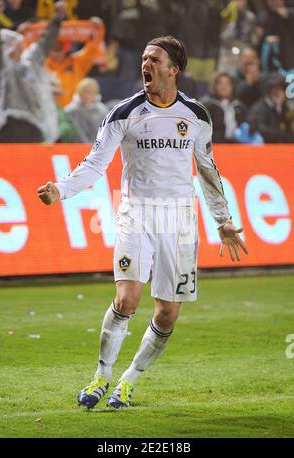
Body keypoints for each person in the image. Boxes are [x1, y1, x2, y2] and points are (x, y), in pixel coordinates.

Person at [38, 36, 248, 410]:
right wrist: (62, 189)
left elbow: (207, 169)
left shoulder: (196, 115)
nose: (145, 64)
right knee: (127, 298)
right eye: (144, 58)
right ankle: (102, 375)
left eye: (154, 59)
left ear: (173, 69)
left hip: (180, 219)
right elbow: (95, 164)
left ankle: (128, 381)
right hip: (136, 213)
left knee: (167, 313)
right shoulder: (124, 112)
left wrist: (223, 219)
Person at [0, 0, 66, 143]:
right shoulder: (1, 68)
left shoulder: (29, 64)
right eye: (14, 44)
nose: (20, 46)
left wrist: (57, 21)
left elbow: (45, 44)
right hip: (6, 126)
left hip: (33, 127)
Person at [200, 72, 247, 143]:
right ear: (214, 86)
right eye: (220, 83)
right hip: (213, 146)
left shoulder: (238, 106)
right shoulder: (206, 105)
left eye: (228, 83)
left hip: (236, 147)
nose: (224, 86)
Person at [248, 73, 294, 143]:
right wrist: (284, 135)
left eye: (280, 89)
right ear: (268, 91)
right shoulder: (259, 109)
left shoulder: (286, 107)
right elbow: (258, 129)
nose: (277, 92)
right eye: (274, 89)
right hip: (266, 150)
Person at [65, 77, 108, 143]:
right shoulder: (70, 111)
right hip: (76, 148)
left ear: (96, 93)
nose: (87, 95)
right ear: (78, 92)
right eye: (84, 92)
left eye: (91, 92)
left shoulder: (102, 110)